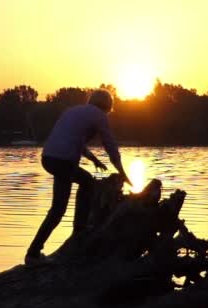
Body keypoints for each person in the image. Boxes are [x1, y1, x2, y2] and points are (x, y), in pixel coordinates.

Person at [25, 89, 131, 265]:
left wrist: (93, 159)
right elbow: (110, 145)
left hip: (49, 158)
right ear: (107, 106)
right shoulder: (100, 116)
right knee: (87, 183)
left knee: (58, 209)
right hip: (64, 161)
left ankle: (33, 254)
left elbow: (74, 140)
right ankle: (79, 230)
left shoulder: (73, 111)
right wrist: (122, 172)